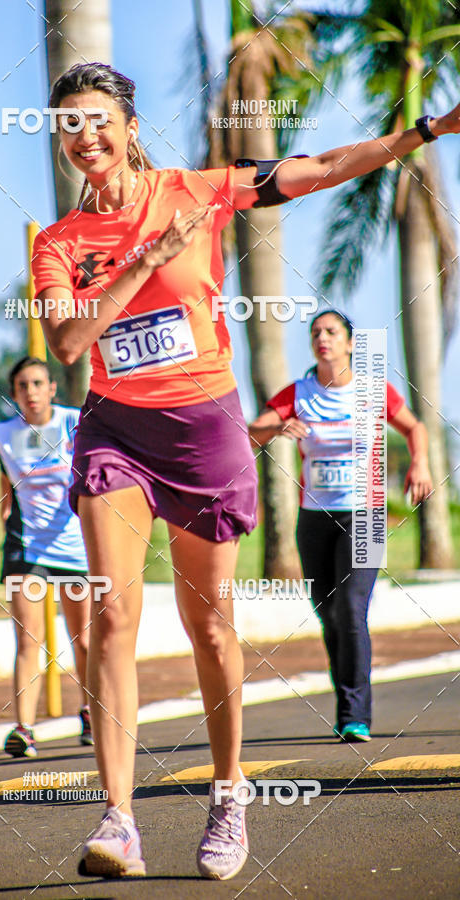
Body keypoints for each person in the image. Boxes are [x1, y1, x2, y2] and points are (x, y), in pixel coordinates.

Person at [31, 60, 459, 880]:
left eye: (96, 121)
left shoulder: (201, 190)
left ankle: (230, 795)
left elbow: (324, 168)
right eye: (66, 127)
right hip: (117, 429)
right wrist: (148, 255)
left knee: (212, 625)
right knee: (114, 616)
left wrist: (431, 131)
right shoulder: (61, 244)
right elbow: (68, 343)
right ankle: (118, 818)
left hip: (203, 431)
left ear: (128, 125)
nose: (83, 138)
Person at [249, 310, 433, 742]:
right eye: (315, 333)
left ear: (350, 343)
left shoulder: (371, 391)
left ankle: (355, 714)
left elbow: (414, 426)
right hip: (314, 518)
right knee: (328, 614)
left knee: (351, 609)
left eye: (331, 332)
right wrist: (278, 426)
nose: (322, 339)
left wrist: (419, 463)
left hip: (364, 514)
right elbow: (251, 431)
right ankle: (347, 704)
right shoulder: (299, 392)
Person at [0, 356, 93, 757]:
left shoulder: (74, 422)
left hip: (75, 545)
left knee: (82, 640)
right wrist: (4, 514)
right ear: (14, 393)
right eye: (22, 386)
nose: (30, 392)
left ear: (51, 388)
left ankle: (88, 712)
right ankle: (24, 728)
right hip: (27, 546)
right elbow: (6, 478)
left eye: (37, 384)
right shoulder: (2, 433)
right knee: (28, 639)